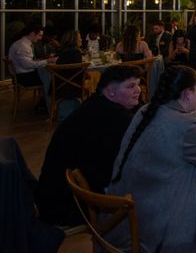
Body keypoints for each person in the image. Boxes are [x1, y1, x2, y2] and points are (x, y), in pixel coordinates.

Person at [107, 66, 196, 252]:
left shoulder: (145, 111)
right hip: (158, 223)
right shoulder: (186, 125)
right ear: (187, 95)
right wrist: (195, 122)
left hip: (125, 212)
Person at [35, 65, 142, 226]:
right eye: (131, 86)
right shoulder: (116, 117)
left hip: (53, 194)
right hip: (71, 205)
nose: (138, 90)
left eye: (138, 85)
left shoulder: (96, 103)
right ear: (111, 91)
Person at [54, 30, 84, 100]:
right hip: (72, 86)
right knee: (95, 75)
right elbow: (79, 73)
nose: (81, 39)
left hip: (59, 85)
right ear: (74, 40)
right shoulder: (76, 52)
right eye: (80, 38)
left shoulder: (63, 51)